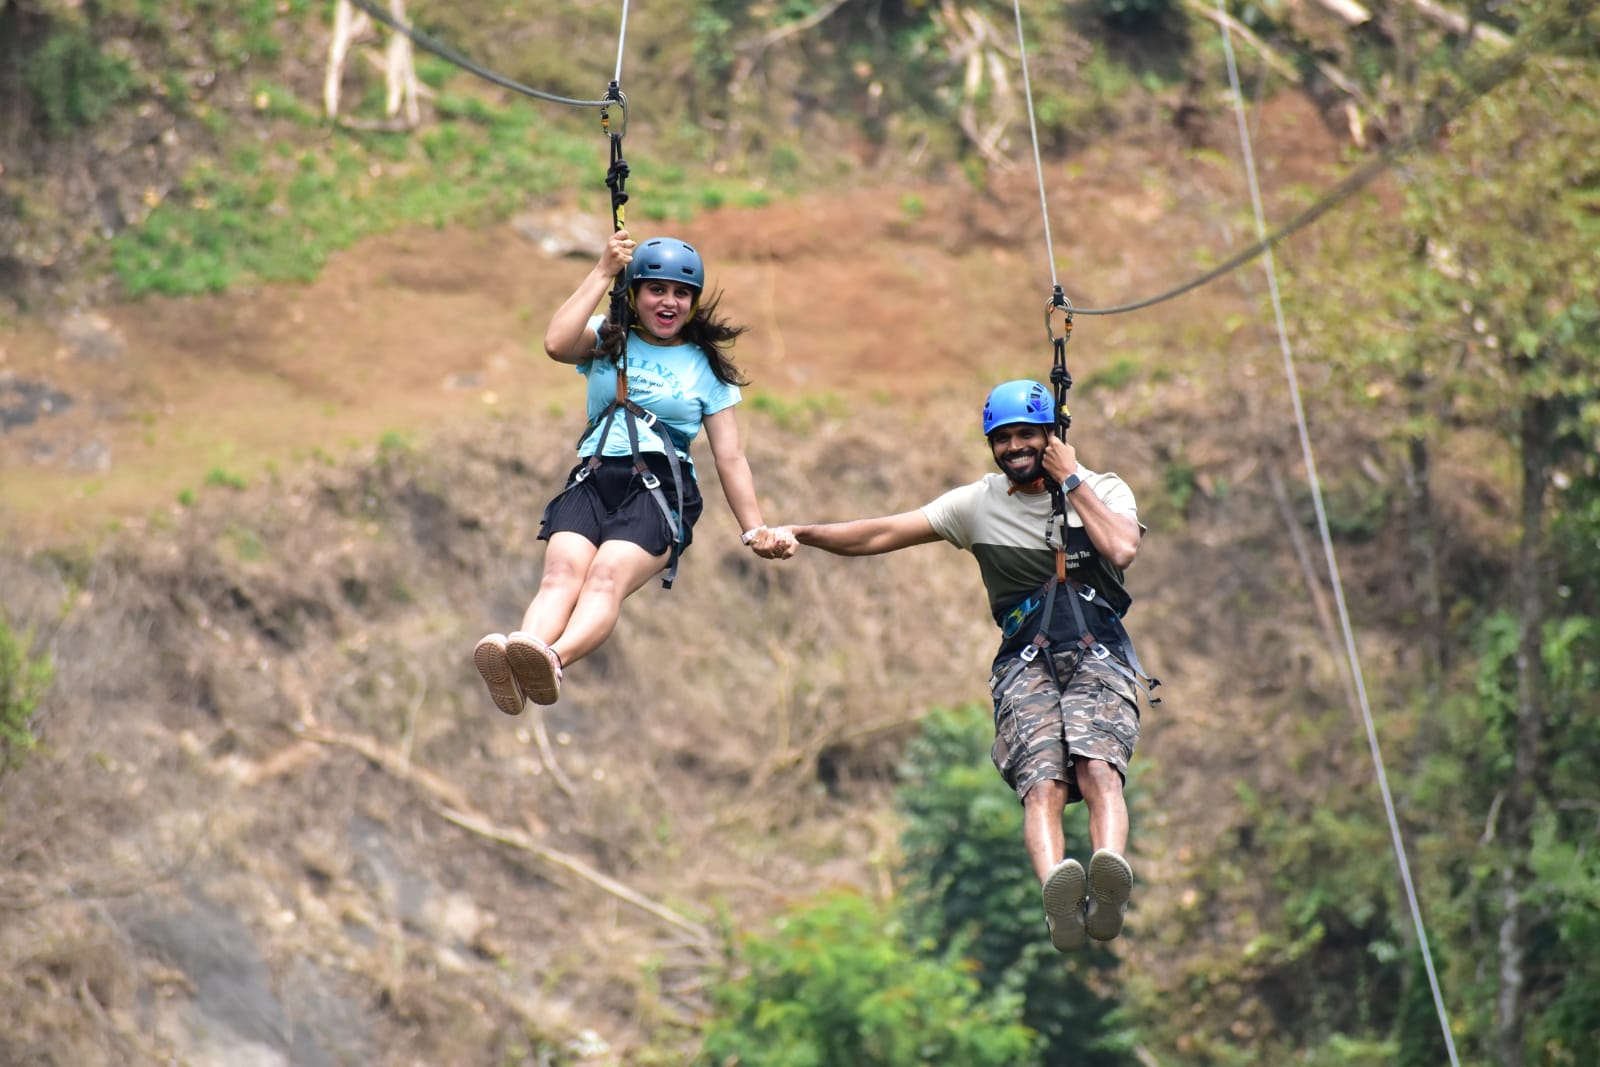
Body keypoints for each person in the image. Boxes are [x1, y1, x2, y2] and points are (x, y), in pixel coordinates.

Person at [759, 379, 1156, 952]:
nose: (1015, 448)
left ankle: (1109, 872)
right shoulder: (976, 504)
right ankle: (1059, 896)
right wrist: (802, 533)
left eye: (1026, 435)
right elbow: (882, 531)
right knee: (1040, 781)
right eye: (1003, 439)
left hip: (1099, 651)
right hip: (1026, 660)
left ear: (1052, 435)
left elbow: (1121, 550)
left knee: (1098, 767)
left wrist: (1072, 480)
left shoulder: (1103, 488)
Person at [475, 229, 788, 713]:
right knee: (560, 575)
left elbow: (731, 456)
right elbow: (557, 343)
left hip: (660, 489)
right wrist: (602, 269)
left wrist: (754, 530)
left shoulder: (705, 368)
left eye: (681, 293)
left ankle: (552, 660)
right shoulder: (608, 337)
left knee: (604, 577)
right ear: (635, 292)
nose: (669, 302)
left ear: (693, 301)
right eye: (657, 289)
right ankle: (524, 653)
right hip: (593, 476)